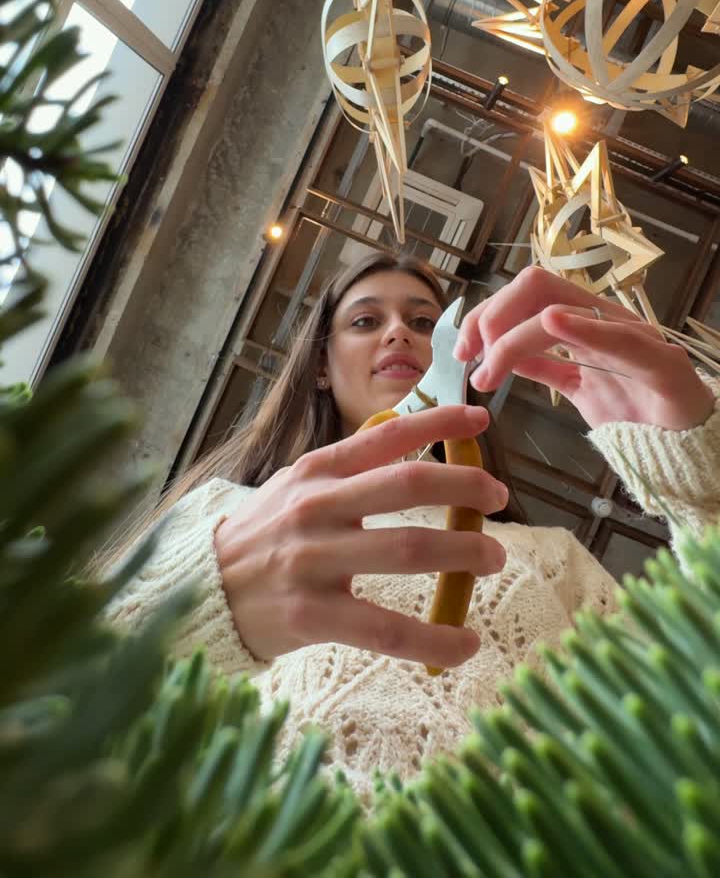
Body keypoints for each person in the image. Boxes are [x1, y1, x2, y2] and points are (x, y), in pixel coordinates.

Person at [105, 252, 720, 802]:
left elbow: (691, 731)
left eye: (425, 322)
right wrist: (200, 610)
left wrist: (701, 491)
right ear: (319, 365)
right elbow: (51, 717)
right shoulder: (215, 522)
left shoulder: (547, 557)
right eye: (365, 321)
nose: (400, 331)